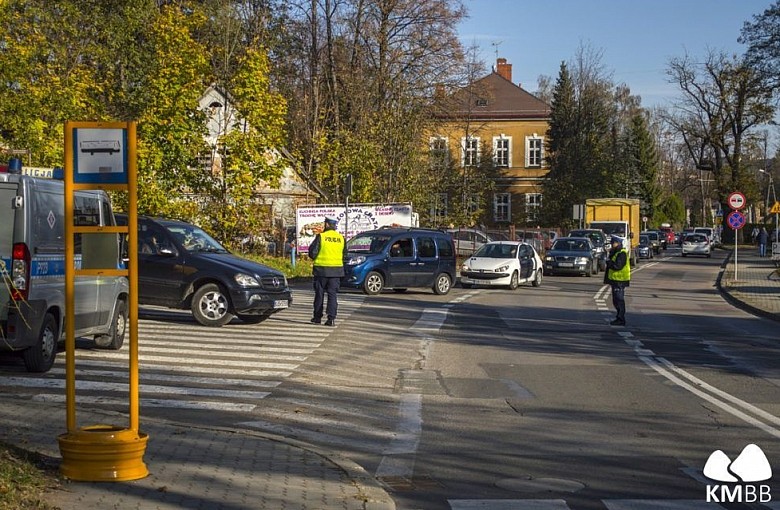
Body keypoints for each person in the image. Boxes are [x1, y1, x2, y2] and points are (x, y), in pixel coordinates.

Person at [308, 217, 346, 326]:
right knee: (332, 295)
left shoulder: (321, 237)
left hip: (321, 270)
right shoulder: (341, 238)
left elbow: (312, 253)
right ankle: (331, 319)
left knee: (319, 294)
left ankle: (317, 317)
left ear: (327, 225)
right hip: (336, 271)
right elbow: (345, 255)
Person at [604, 236, 630, 326]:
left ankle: (621, 319)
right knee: (616, 300)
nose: (612, 244)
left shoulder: (621, 253)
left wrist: (609, 262)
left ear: (618, 243)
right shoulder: (616, 252)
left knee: (619, 300)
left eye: (613, 243)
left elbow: (617, 266)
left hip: (620, 280)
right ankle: (619, 317)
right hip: (615, 280)